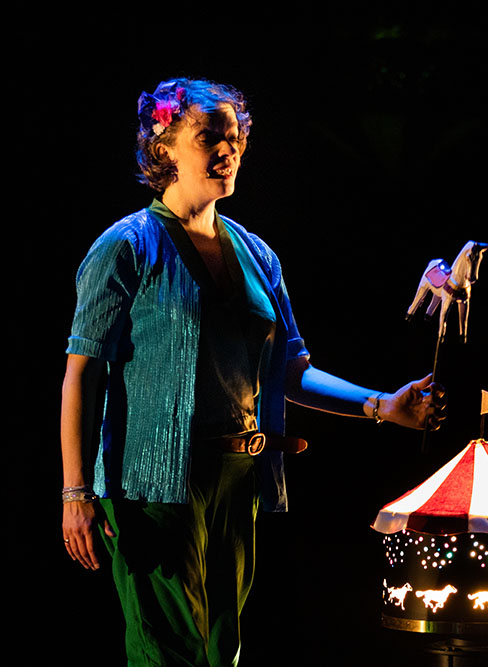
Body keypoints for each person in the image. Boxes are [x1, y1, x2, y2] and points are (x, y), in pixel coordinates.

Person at [60, 78, 446, 666]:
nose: (228, 150)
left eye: (235, 138)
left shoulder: (257, 255)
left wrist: (383, 405)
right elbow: (81, 373)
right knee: (169, 651)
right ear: (164, 148)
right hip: (153, 484)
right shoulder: (126, 246)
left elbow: (290, 369)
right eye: (209, 137)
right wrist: (75, 492)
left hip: (237, 478)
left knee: (223, 650)